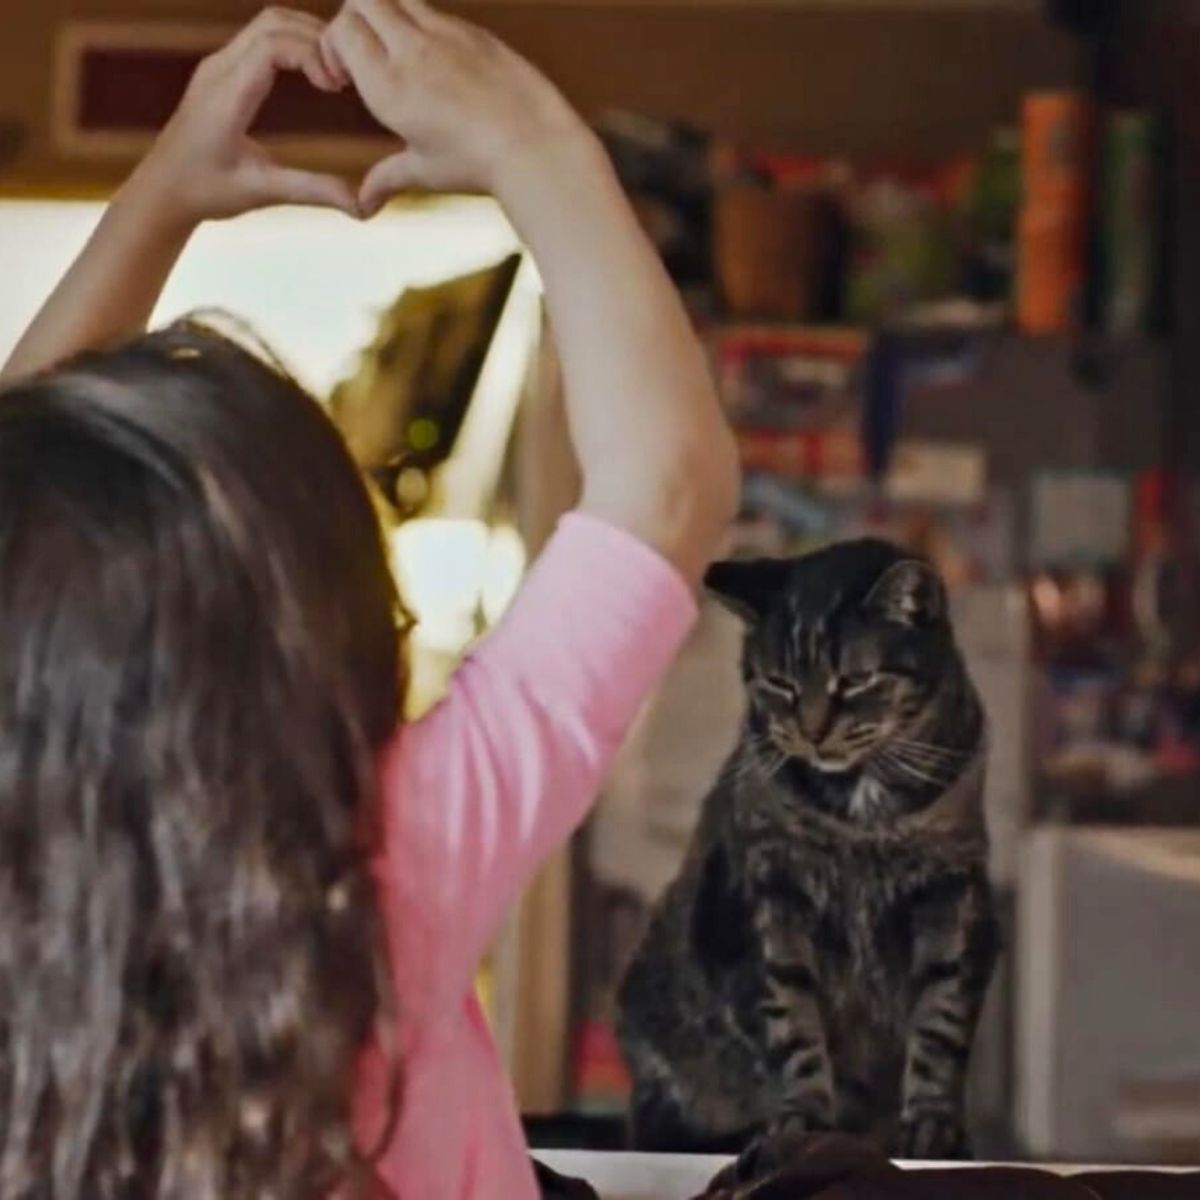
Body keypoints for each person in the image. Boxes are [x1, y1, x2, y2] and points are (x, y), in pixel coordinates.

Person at [0, 1, 739, 1197]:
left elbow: (22, 530)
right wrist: (537, 146)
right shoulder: (379, 882)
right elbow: (667, 482)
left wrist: (159, 194)